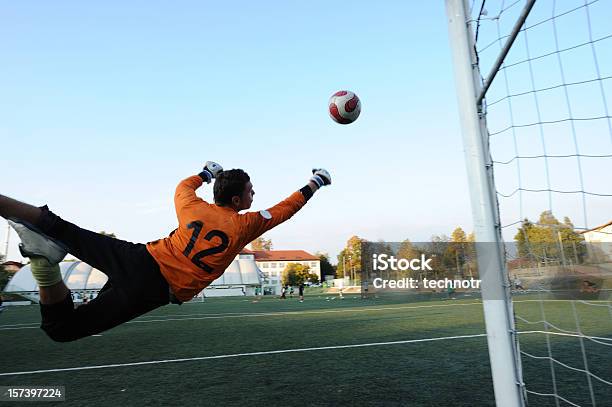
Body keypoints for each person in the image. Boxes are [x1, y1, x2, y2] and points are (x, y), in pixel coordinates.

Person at [1, 163, 331, 342]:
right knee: (62, 330)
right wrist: (315, 182)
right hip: (152, 287)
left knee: (62, 228)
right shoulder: (245, 225)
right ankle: (43, 262)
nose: (253, 193)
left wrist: (205, 173)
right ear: (236, 201)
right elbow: (286, 208)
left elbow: (182, 187)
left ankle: (36, 240)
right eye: (249, 190)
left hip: (140, 257)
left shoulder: (191, 206)